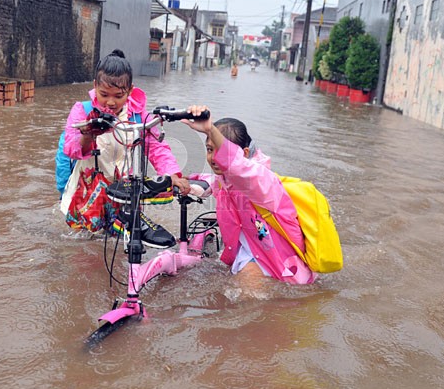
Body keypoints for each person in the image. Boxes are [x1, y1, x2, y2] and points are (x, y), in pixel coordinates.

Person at [60, 50, 189, 247]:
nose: (110, 102)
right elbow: (69, 149)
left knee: (121, 248)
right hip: (86, 192)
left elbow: (157, 148)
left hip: (123, 192)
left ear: (129, 90)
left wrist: (172, 175)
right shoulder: (83, 110)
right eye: (104, 95)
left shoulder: (139, 117)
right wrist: (88, 134)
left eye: (118, 96)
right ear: (95, 86)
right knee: (82, 251)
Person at [179, 105, 316, 284]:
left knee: (248, 302)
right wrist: (185, 182)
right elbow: (216, 183)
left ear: (243, 153)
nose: (213, 158)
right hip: (250, 250)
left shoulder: (261, 180)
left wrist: (210, 129)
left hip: (277, 261)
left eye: (220, 151)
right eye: (210, 150)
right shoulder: (225, 179)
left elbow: (238, 167)